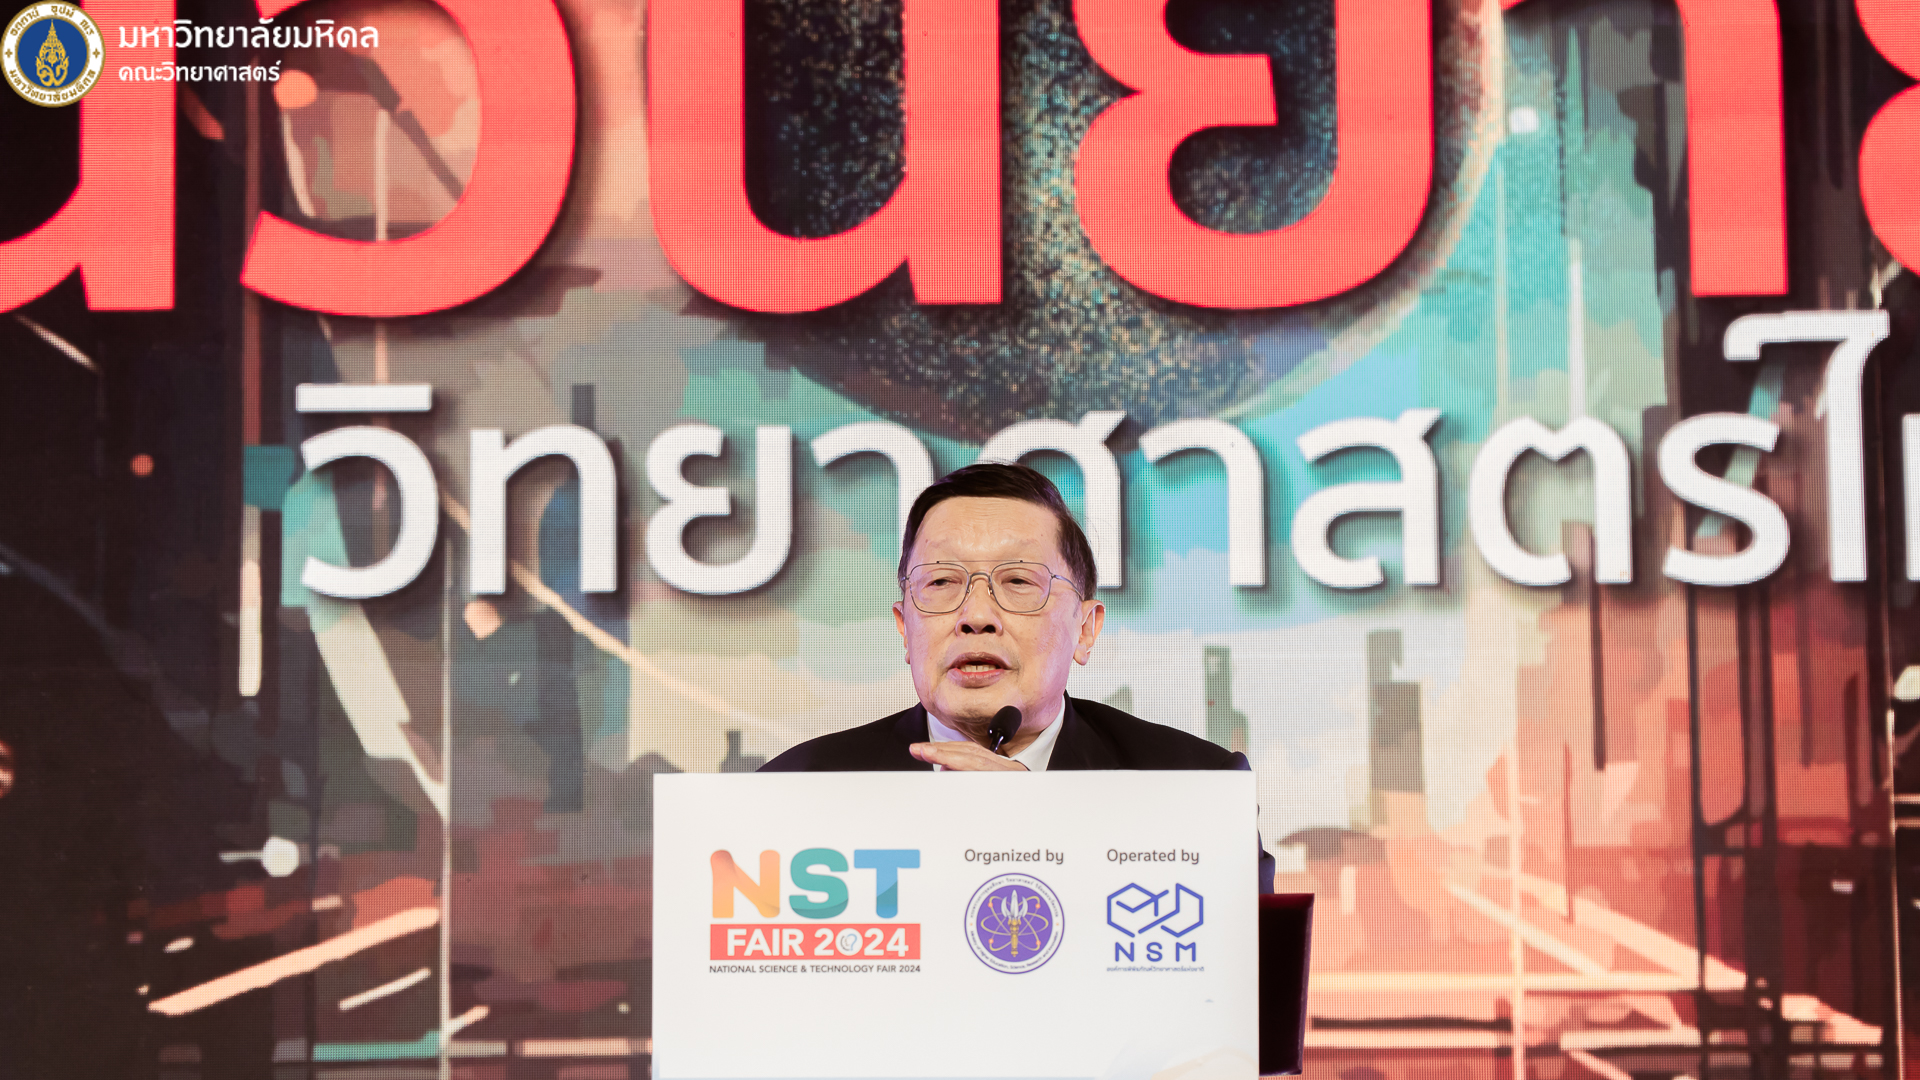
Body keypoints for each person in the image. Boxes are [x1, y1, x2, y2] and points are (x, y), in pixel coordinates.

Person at [761, 462, 1275, 892]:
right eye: (941, 581)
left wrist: (1043, 829)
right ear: (904, 627)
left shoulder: (1193, 792)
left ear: (1085, 630)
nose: (976, 616)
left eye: (1018, 581)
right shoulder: (792, 795)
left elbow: (1241, 981)